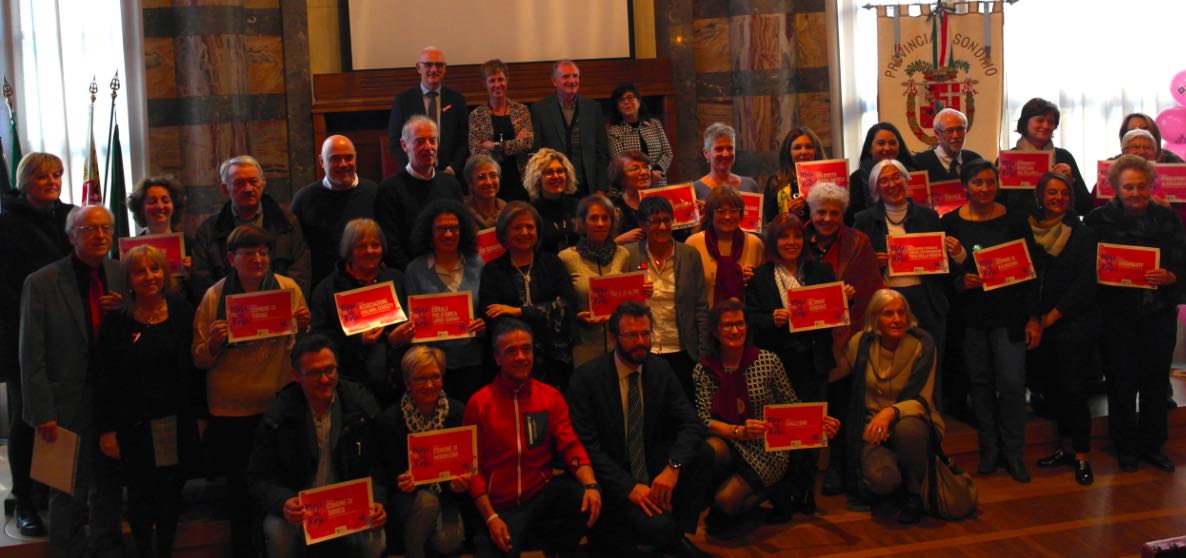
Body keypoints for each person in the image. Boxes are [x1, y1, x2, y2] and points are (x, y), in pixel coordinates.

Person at [192, 224, 312, 557]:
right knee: (240, 491)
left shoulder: (287, 289)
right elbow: (198, 359)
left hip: (277, 405)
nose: (258, 259)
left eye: (264, 252)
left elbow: (301, 351)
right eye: (249, 253)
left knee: (281, 486)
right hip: (232, 410)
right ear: (231, 258)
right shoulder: (215, 296)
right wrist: (214, 344)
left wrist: (303, 329)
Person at [567, 301, 712, 558]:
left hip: (647, 463)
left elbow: (691, 422)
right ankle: (654, 538)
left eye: (646, 333)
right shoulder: (587, 378)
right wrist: (628, 487)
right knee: (657, 528)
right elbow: (586, 446)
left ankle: (674, 535)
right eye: (631, 335)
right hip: (610, 475)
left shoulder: (660, 369)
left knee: (703, 454)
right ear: (614, 337)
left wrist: (673, 468)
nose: (641, 342)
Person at [20, 204, 125, 557]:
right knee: (66, 491)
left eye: (105, 228)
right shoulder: (42, 282)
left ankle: (106, 549)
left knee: (109, 487)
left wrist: (123, 311)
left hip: (112, 402)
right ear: (71, 236)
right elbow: (30, 354)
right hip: (63, 405)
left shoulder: (121, 273)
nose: (99, 235)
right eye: (89, 229)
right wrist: (41, 412)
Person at [692, 298, 840, 533]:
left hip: (767, 448)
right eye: (727, 325)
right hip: (730, 439)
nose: (735, 331)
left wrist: (818, 422)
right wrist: (739, 432)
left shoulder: (768, 361)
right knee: (709, 450)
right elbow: (703, 419)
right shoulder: (704, 369)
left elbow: (791, 404)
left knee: (724, 505)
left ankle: (773, 488)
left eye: (740, 324)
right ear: (715, 331)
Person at [464, 319, 601, 558]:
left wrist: (591, 484)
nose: (521, 357)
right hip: (498, 506)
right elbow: (472, 468)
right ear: (497, 358)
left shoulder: (550, 397)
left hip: (539, 496)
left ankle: (557, 549)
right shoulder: (479, 403)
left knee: (584, 498)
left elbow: (570, 445)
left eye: (526, 349)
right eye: (511, 351)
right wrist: (491, 517)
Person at [96, 245, 200, 558]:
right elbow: (105, 381)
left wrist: (200, 416)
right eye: (139, 271)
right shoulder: (117, 321)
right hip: (133, 425)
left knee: (170, 494)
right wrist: (107, 429)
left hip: (173, 421)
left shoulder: (182, 310)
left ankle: (164, 551)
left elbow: (194, 370)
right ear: (128, 279)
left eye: (154, 269)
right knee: (140, 497)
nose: (149, 277)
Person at [941, 159, 1041, 484]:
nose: (985, 189)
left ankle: (1014, 452)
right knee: (980, 384)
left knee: (1011, 383)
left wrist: (1033, 317)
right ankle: (990, 449)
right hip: (970, 318)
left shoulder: (1015, 220)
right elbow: (943, 273)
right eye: (977, 183)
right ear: (965, 187)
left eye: (990, 182)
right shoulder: (951, 223)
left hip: (1009, 317)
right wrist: (960, 281)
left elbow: (1031, 272)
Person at [1084, 155, 1186, 473]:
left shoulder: (1168, 219)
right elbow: (1085, 267)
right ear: (1116, 187)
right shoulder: (1098, 220)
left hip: (1158, 314)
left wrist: (1171, 276)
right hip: (1116, 316)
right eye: (1128, 187)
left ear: (1151, 185)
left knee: (1155, 382)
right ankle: (1126, 447)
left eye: (1142, 186)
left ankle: (1153, 446)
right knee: (1121, 382)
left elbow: (1183, 260)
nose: (1135, 193)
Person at [745, 211, 852, 511]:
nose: (791, 242)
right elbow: (750, 318)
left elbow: (834, 313)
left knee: (810, 427)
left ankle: (806, 491)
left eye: (796, 236)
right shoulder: (760, 276)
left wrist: (847, 299)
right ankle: (782, 493)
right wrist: (771, 318)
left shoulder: (821, 271)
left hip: (813, 362)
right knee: (781, 429)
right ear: (773, 242)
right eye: (784, 237)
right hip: (777, 364)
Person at [246, 334, 387, 558]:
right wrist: (283, 502)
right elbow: (257, 477)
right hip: (301, 511)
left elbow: (379, 465)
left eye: (329, 370)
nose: (324, 379)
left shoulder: (360, 406)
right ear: (296, 376)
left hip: (348, 507)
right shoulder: (279, 415)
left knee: (375, 540)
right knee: (278, 531)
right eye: (313, 373)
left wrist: (377, 500)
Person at [852, 159, 964, 415]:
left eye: (896, 177)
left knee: (929, 364)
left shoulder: (929, 216)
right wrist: (872, 262)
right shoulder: (863, 220)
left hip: (927, 299)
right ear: (875, 188)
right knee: (891, 366)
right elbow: (855, 265)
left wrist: (958, 254)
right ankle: (891, 419)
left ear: (906, 181)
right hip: (886, 300)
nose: (892, 184)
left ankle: (931, 420)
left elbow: (944, 265)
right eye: (884, 180)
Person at [0, 152, 74, 537]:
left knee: (65, 418)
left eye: (57, 175)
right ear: (25, 181)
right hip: (22, 334)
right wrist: (37, 314)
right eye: (43, 176)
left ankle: (56, 493)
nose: (52, 182)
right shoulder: (6, 224)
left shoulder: (71, 217)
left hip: (69, 334)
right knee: (27, 420)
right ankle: (25, 500)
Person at [840, 289, 944, 524]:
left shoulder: (922, 345)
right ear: (875, 317)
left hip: (914, 422)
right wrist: (837, 343)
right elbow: (834, 374)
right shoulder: (861, 343)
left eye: (901, 312)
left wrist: (890, 413)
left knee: (906, 430)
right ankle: (898, 480)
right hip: (873, 427)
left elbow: (923, 400)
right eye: (888, 313)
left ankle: (915, 493)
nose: (897, 319)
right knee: (882, 479)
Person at [1026, 172, 1100, 485]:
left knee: (1074, 390)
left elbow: (1086, 281)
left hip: (1072, 323)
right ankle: (1064, 448)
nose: (1058, 198)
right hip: (1039, 324)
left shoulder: (1083, 233)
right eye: (1052, 192)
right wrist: (1035, 317)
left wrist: (1054, 315)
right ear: (1040, 197)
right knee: (1052, 389)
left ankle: (1081, 455)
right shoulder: (1028, 231)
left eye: (1064, 193)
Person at [309, 218, 414, 406]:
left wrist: (396, 339)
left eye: (375, 245)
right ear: (348, 251)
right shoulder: (327, 289)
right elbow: (321, 338)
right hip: (352, 384)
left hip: (398, 380)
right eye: (361, 246)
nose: (370, 251)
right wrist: (359, 341)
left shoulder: (398, 279)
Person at [376, 347, 468, 558]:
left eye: (435, 377)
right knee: (427, 503)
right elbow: (383, 471)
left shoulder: (458, 413)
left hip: (446, 495)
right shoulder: (389, 420)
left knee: (449, 542)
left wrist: (462, 482)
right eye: (420, 379)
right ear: (407, 383)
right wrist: (400, 480)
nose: (429, 385)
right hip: (407, 499)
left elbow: (465, 462)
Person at [478, 202, 577, 390]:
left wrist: (519, 312)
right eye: (517, 228)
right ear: (504, 233)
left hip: (554, 362)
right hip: (510, 362)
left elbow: (569, 305)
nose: (524, 232)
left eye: (530, 227)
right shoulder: (492, 270)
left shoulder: (553, 263)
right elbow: (491, 315)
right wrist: (547, 310)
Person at [624, 196, 709, 400]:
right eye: (655, 221)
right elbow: (620, 302)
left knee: (683, 405)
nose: (662, 226)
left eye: (666, 220)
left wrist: (704, 352)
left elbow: (700, 305)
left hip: (683, 348)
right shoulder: (629, 255)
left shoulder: (689, 255)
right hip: (644, 348)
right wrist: (636, 295)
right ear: (642, 224)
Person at [191, 155, 311, 299]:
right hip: (230, 309)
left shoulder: (287, 223)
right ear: (224, 188)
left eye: (253, 181)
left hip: (279, 306)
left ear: (263, 183)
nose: (248, 189)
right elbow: (202, 278)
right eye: (239, 183)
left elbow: (300, 270)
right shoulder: (209, 230)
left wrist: (283, 303)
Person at [404, 200, 489, 403]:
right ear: (430, 233)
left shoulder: (477, 263)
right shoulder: (415, 270)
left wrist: (484, 326)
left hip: (474, 363)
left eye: (454, 228)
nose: (449, 234)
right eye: (441, 229)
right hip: (432, 369)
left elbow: (486, 308)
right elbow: (413, 322)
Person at [375, 115, 466, 270]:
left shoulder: (451, 184)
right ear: (404, 145)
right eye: (420, 141)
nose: (428, 147)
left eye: (432, 140)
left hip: (453, 269)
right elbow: (391, 247)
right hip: (411, 274)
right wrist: (418, 275)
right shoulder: (389, 190)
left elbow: (462, 232)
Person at [290, 134, 380, 286]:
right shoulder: (304, 199)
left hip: (369, 285)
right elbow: (295, 252)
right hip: (322, 288)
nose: (343, 164)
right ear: (321, 161)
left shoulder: (376, 193)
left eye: (348, 157)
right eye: (335, 158)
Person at [559, 194, 631, 367]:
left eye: (605, 218)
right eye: (593, 218)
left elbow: (629, 296)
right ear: (582, 223)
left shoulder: (623, 254)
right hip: (584, 347)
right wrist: (576, 317)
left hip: (620, 347)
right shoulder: (566, 258)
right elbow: (561, 305)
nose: (600, 223)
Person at [998, 98, 1091, 216]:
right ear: (1025, 122)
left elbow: (1086, 207)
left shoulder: (1064, 157)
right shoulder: (1008, 159)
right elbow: (998, 205)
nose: (1046, 125)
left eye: (1051, 122)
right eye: (1040, 120)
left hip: (1061, 225)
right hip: (1019, 226)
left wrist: (1071, 181)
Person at [531, 59, 610, 195]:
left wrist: (601, 188)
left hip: (588, 187)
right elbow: (536, 152)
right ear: (554, 81)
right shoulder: (539, 110)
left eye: (575, 76)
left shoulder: (593, 108)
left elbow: (602, 151)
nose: (572, 81)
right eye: (566, 76)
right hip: (554, 187)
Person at [386, 46, 469, 176]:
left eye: (439, 65)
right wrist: (413, 168)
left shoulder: (457, 101)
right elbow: (395, 141)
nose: (434, 69)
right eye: (428, 65)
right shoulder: (403, 101)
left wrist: (452, 168)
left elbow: (464, 140)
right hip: (414, 175)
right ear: (419, 68)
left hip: (450, 175)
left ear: (445, 69)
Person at [686, 186, 765, 307]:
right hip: (705, 316)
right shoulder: (694, 243)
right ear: (710, 214)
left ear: (741, 214)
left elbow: (763, 290)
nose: (727, 217)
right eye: (721, 212)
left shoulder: (755, 244)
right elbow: (687, 290)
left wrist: (753, 279)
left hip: (744, 316)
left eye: (733, 211)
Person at [468, 58, 533, 202]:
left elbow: (527, 143)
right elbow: (476, 151)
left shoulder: (521, 110)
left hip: (519, 179)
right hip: (489, 181)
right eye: (492, 81)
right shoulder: (476, 115)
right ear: (484, 84)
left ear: (507, 80)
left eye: (500, 79)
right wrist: (514, 143)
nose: (497, 85)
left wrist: (494, 146)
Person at [846, 123, 916, 225]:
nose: (887, 148)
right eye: (881, 143)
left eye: (892, 143)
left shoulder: (914, 173)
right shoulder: (857, 179)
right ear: (869, 148)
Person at [607, 83, 672, 187]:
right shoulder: (614, 131)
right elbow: (620, 163)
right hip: (631, 187)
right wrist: (648, 174)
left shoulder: (655, 124)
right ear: (617, 107)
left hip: (657, 182)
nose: (626, 102)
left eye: (630, 97)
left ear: (639, 101)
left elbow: (667, 152)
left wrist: (656, 171)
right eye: (621, 100)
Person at [762, 126, 827, 224]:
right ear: (788, 152)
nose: (803, 152)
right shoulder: (775, 182)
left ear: (816, 150)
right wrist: (788, 213)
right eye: (797, 147)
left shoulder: (829, 177)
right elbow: (770, 223)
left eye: (809, 147)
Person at [524, 147, 580, 253]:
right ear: (537, 179)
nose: (556, 176)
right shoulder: (531, 213)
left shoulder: (578, 206)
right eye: (549, 172)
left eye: (560, 171)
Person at [692, 122, 759, 200]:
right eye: (719, 149)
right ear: (706, 153)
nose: (726, 154)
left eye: (730, 148)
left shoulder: (749, 185)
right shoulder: (695, 190)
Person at [915, 108, 984, 183]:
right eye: (949, 131)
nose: (956, 136)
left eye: (960, 129)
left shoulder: (975, 160)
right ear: (937, 134)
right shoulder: (919, 164)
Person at [608, 150, 654, 245]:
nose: (644, 172)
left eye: (646, 167)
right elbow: (598, 248)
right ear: (620, 177)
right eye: (635, 168)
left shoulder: (662, 201)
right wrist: (619, 241)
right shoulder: (611, 208)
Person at [1114, 112, 1186, 163]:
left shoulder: (1172, 161)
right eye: (1132, 130)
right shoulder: (1114, 163)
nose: (1139, 133)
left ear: (1154, 133)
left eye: (1144, 129)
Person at [464, 154, 508, 230]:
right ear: (470, 183)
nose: (489, 182)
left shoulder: (506, 211)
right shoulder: (463, 213)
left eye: (493, 176)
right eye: (481, 177)